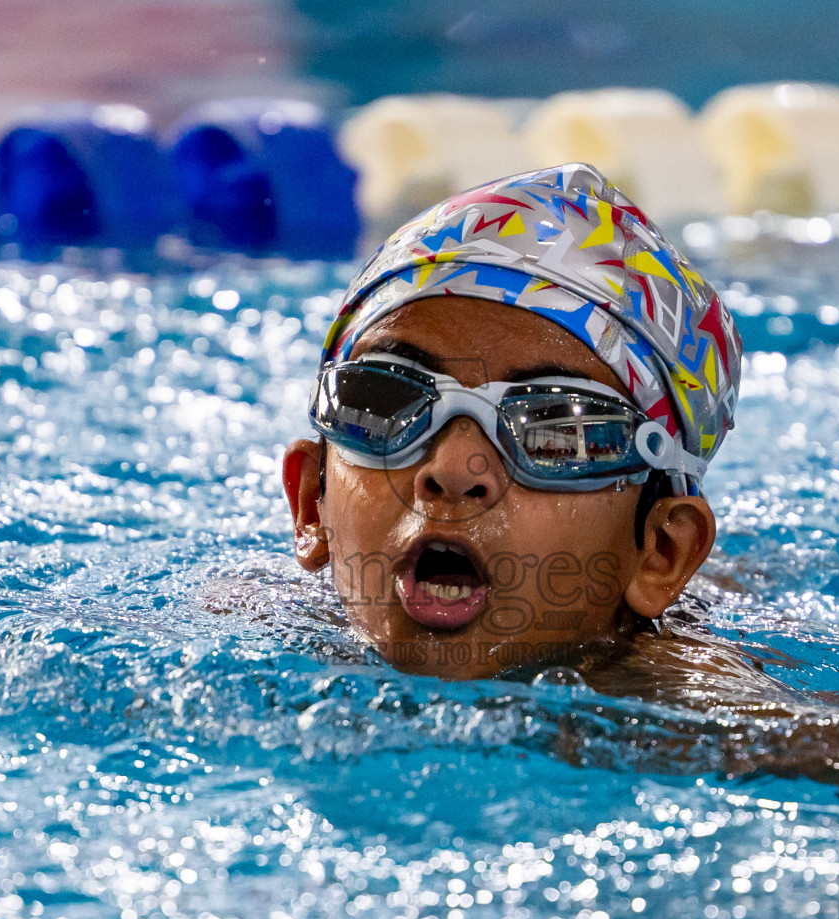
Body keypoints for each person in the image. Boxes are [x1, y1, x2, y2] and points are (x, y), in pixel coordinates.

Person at [282, 163, 742, 680]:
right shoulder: (244, 643)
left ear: (661, 553)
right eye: (385, 401)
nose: (454, 470)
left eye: (557, 432)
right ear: (310, 504)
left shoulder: (732, 736)